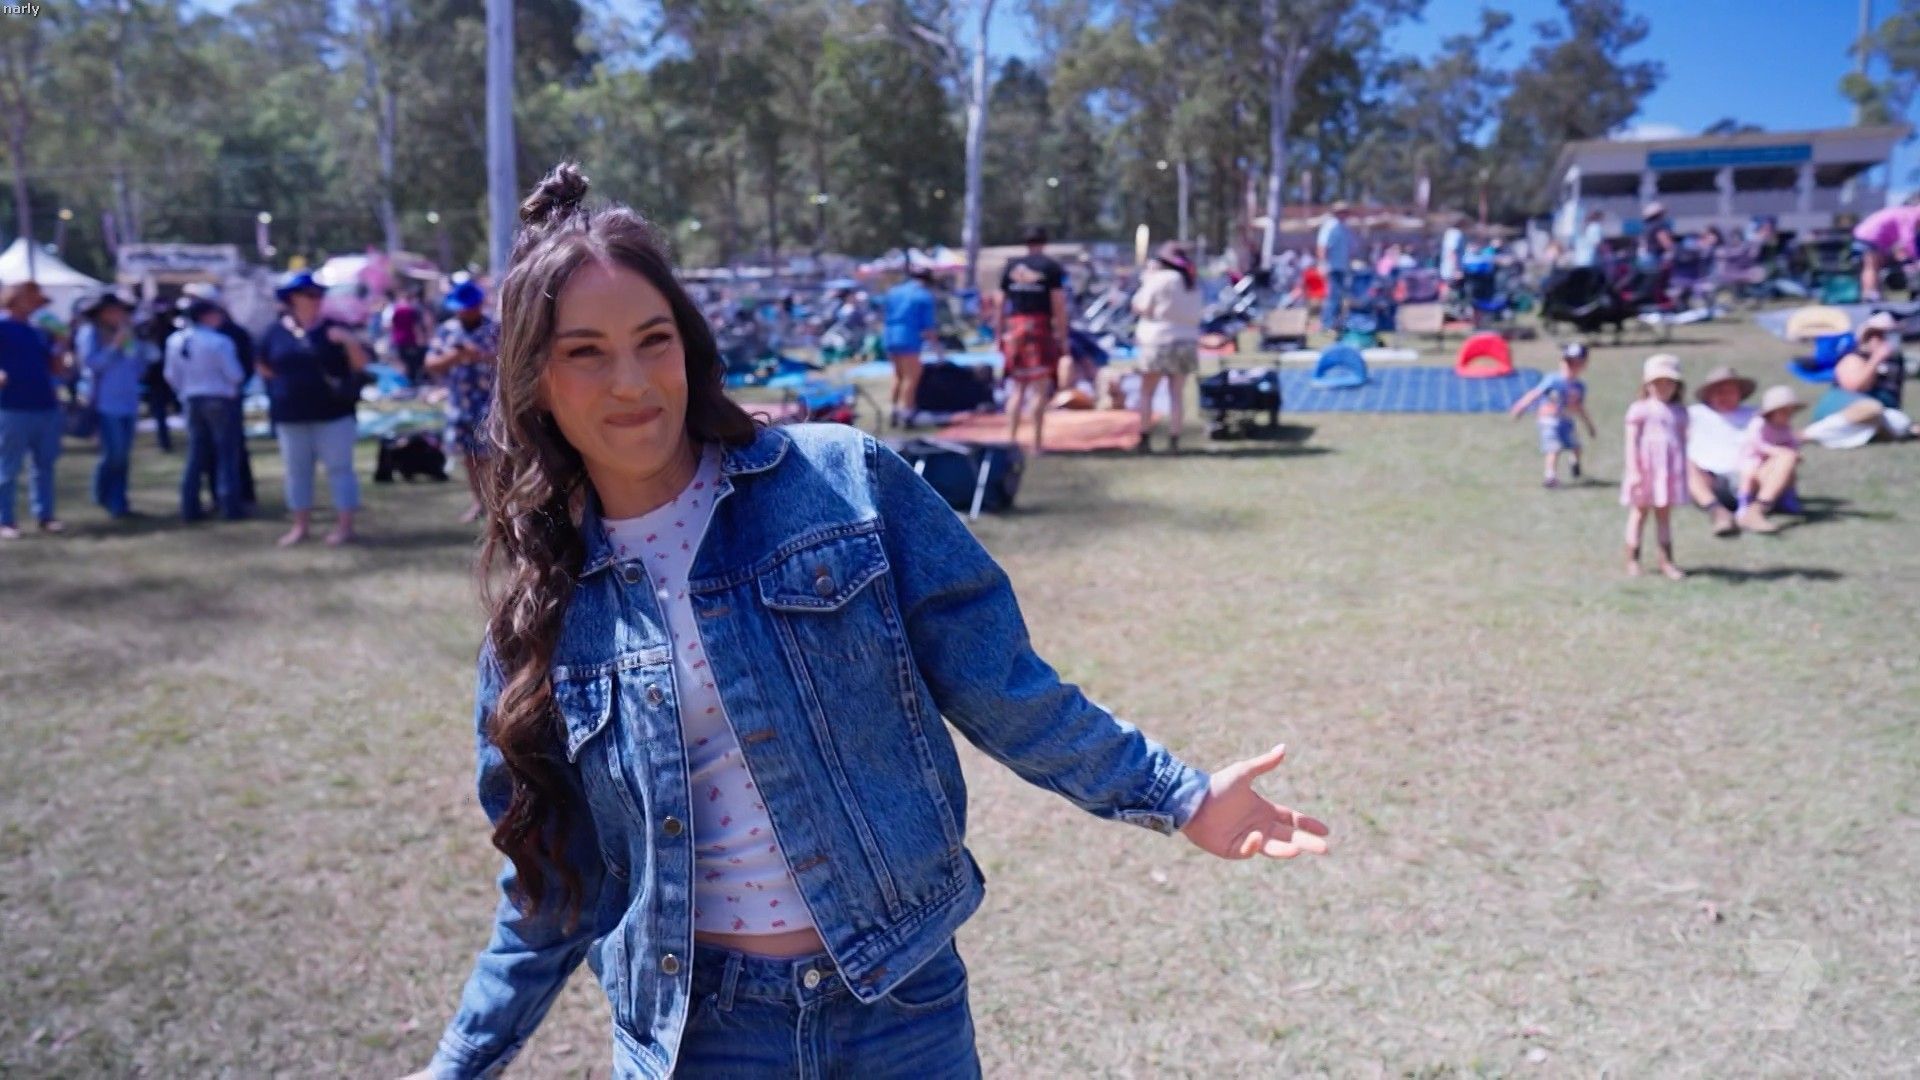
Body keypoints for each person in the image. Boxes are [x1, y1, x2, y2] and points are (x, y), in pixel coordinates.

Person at [404, 164, 1330, 1080]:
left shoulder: (841, 483)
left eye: (654, 340)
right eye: (586, 353)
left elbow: (1004, 689)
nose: (632, 380)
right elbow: (550, 888)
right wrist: (457, 1065)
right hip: (697, 1040)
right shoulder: (540, 622)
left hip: (901, 1008)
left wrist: (1180, 795)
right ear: (535, 382)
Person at [258, 269, 370, 547]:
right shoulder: (275, 332)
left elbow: (361, 366)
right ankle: (300, 527)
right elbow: (263, 364)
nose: (316, 299)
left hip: (334, 413)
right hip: (290, 415)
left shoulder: (335, 328)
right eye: (309, 294)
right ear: (293, 299)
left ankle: (345, 527)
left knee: (340, 469)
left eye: (318, 294)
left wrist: (348, 341)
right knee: (297, 472)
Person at [164, 299, 249, 521]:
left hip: (192, 399)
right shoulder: (220, 341)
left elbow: (170, 375)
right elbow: (235, 374)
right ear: (205, 316)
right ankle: (230, 505)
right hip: (220, 398)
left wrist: (184, 390)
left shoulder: (175, 341)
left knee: (196, 453)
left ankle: (189, 505)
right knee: (227, 453)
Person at [424, 280, 500, 524]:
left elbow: (511, 362)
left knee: (492, 457)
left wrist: (480, 356)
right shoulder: (447, 330)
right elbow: (431, 364)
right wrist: (456, 355)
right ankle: (479, 502)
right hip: (459, 404)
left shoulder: (495, 329)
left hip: (490, 404)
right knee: (469, 457)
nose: (464, 312)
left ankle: (497, 505)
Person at [180, 283, 259, 510]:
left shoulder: (231, 334)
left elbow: (243, 368)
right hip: (215, 397)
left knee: (228, 450)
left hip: (217, 397)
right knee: (211, 453)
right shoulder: (191, 336)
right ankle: (221, 499)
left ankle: (238, 496)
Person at [0, 281, 70, 539]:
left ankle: (45, 516)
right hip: (11, 406)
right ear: (14, 299)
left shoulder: (39, 331)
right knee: (8, 466)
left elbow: (56, 368)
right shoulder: (2, 326)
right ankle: (5, 520)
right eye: (31, 297)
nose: (36, 303)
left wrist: (61, 344)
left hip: (45, 405)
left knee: (44, 465)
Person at [994, 225, 1069, 453]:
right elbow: (1058, 303)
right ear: (1044, 242)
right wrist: (1062, 336)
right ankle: (1036, 444)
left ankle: (1010, 442)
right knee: (1039, 388)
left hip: (1015, 328)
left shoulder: (1011, 266)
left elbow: (1000, 303)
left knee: (1017, 387)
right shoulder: (1051, 267)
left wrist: (998, 333)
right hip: (1039, 327)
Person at [75, 292, 148, 519]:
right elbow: (91, 364)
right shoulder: (90, 334)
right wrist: (114, 347)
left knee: (123, 455)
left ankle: (119, 500)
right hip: (105, 402)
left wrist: (136, 349)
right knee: (113, 454)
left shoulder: (127, 333)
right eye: (112, 311)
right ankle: (103, 494)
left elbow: (137, 365)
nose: (118, 315)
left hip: (129, 401)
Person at [1802, 311, 1920, 447]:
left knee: (1901, 423)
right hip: (1844, 409)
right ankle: (1808, 434)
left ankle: (1873, 433)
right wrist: (1876, 359)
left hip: (1882, 413)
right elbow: (1856, 387)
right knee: (1871, 409)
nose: (1884, 340)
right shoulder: (1852, 358)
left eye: (1889, 335)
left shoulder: (1896, 361)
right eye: (1878, 335)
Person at [1622, 354, 1690, 580]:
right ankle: (1633, 559)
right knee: (1639, 513)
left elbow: (1683, 442)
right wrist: (1634, 470)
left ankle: (1666, 561)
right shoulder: (1640, 409)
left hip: (1668, 471)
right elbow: (1631, 441)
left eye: (1669, 383)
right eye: (1657, 383)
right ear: (1647, 385)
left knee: (1664, 515)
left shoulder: (1680, 412)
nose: (1663, 388)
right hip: (1645, 469)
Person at [1130, 241, 1202, 453]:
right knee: (1177, 393)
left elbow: (1141, 307)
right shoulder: (1191, 282)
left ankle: (1144, 437)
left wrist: (1145, 282)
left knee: (1147, 392)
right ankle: (1174, 439)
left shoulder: (1158, 280)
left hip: (1158, 340)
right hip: (1186, 340)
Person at [1685, 365, 1766, 537]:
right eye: (1719, 392)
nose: (1725, 396)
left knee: (1782, 457)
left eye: (1730, 391)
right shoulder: (1694, 414)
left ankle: (1756, 510)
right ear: (1709, 395)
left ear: (1739, 393)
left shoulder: (1755, 415)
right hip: (1709, 479)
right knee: (1683, 464)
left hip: (1748, 476)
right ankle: (1718, 512)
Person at [1507, 342, 1597, 488]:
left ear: (1583, 366)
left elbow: (1580, 408)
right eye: (1568, 362)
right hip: (1549, 421)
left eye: (1575, 364)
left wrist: (1589, 426)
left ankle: (1574, 462)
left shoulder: (1579, 386)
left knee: (1576, 446)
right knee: (1553, 448)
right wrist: (1521, 406)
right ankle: (1550, 476)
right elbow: (1535, 393)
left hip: (1567, 421)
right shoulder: (1553, 380)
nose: (1570, 367)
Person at [1734, 386, 1807, 535]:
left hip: (1771, 465)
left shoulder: (1785, 427)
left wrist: (1793, 452)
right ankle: (1748, 505)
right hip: (1755, 461)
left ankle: (1787, 499)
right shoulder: (1759, 425)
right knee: (1748, 475)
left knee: (1790, 467)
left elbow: (1790, 442)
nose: (1787, 416)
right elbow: (1757, 444)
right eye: (1783, 412)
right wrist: (1778, 451)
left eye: (1790, 412)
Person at [881, 266, 940, 428]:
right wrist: (938, 350)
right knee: (911, 377)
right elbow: (928, 327)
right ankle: (906, 414)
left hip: (890, 334)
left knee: (898, 375)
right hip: (908, 336)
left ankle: (893, 410)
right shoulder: (924, 296)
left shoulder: (894, 292)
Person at [1850, 200, 1920, 301]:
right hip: (1869, 236)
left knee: (1875, 265)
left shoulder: (1906, 213)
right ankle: (1870, 294)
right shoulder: (1909, 217)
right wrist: (1915, 259)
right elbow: (1907, 240)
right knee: (1871, 265)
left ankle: (1874, 293)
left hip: (1872, 237)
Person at [1317, 201, 1355, 331]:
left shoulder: (1344, 228)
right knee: (1333, 296)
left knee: (1339, 297)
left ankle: (1336, 323)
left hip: (1342, 267)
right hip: (1332, 267)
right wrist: (1323, 264)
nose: (1344, 214)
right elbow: (1322, 246)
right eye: (1342, 212)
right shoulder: (1330, 226)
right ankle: (1327, 323)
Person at [389, 287, 427, 384]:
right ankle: (411, 381)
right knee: (412, 362)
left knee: (402, 361)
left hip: (398, 339)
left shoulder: (395, 309)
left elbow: (390, 325)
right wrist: (420, 339)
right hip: (410, 339)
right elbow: (415, 326)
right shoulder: (411, 310)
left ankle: (405, 382)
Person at [1638, 202, 1678, 270]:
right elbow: (1665, 242)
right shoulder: (1659, 225)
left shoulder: (1646, 227)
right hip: (1655, 258)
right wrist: (1675, 250)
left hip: (1644, 258)